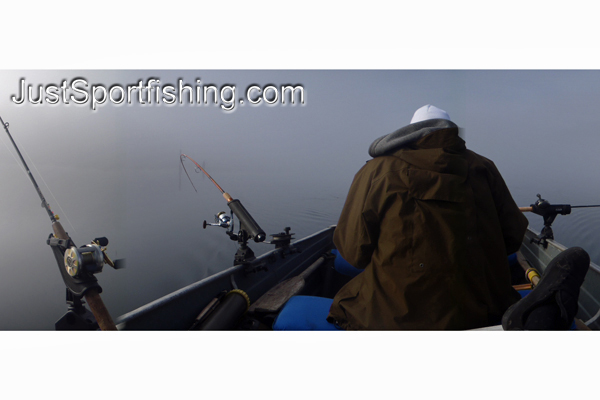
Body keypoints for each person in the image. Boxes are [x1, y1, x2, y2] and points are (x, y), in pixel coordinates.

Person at [326, 105, 529, 330]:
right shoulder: (484, 167)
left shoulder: (377, 171)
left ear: (410, 131)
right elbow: (512, 238)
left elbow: (354, 253)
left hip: (395, 317)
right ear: (450, 131)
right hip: (481, 312)